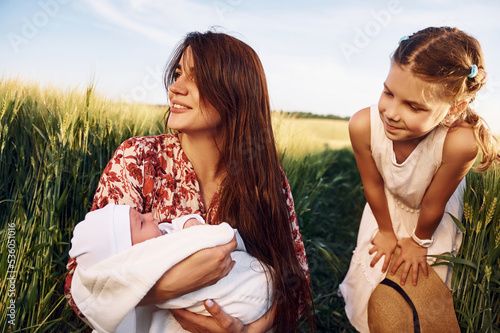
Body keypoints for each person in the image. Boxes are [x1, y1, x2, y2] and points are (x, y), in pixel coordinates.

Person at [65, 30, 314, 332]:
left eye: (195, 78)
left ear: (236, 91)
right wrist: (164, 290)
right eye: (177, 73)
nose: (174, 88)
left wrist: (251, 329)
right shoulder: (139, 159)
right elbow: (81, 287)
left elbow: (295, 284)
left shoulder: (266, 177)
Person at [338, 26, 499, 332]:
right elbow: (372, 184)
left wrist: (418, 242)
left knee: (420, 293)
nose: (391, 112)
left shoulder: (460, 142)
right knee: (376, 279)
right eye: (388, 92)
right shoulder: (362, 125)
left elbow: (434, 203)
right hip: (384, 207)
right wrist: (385, 231)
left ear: (454, 109)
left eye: (413, 106)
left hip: (430, 219)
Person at [68, 203, 273, 331]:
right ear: (128, 255)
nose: (150, 216)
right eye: (140, 222)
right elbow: (95, 293)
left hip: (260, 297)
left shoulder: (161, 235)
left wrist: (190, 224)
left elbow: (177, 226)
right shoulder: (151, 258)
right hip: (241, 299)